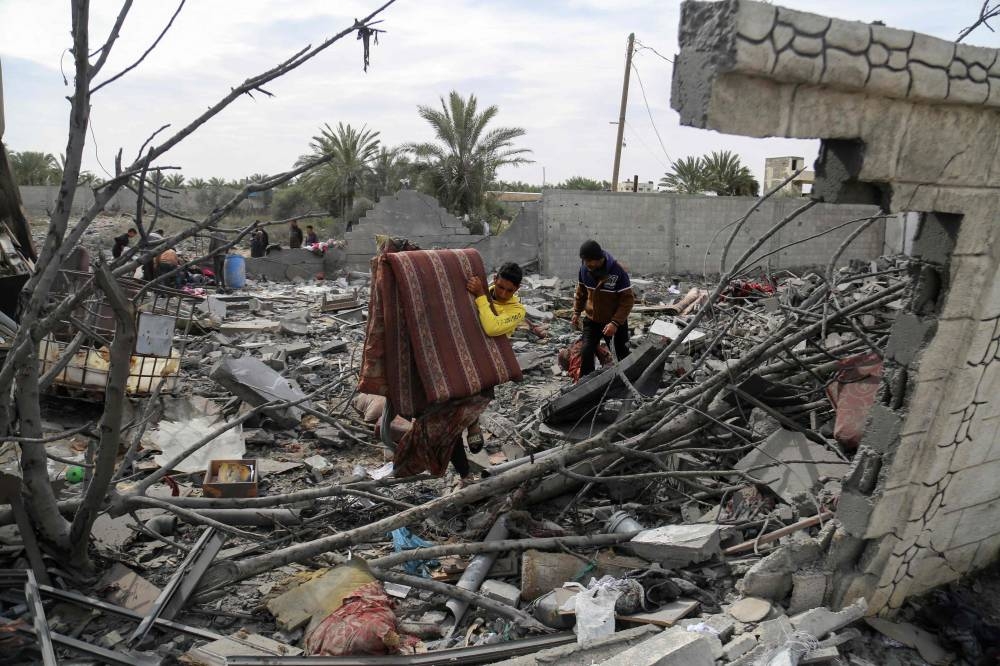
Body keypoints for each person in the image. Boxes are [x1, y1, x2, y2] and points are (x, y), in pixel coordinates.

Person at [455, 262, 526, 483]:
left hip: (485, 364)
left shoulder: (517, 311)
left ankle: (473, 422)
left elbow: (492, 327)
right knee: (455, 410)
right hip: (460, 355)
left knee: (473, 402)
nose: (504, 293)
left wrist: (480, 297)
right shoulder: (480, 289)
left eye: (510, 290)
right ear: (495, 278)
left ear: (517, 290)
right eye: (501, 287)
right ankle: (464, 469)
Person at [571, 240, 634, 377]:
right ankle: (585, 385)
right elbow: (581, 293)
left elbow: (627, 300)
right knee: (586, 351)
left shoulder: (617, 271)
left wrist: (615, 323)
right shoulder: (584, 270)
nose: (587, 264)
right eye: (585, 260)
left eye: (590, 261)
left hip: (613, 322)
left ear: (599, 259)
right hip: (592, 321)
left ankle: (628, 383)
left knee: (621, 355)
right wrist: (576, 312)